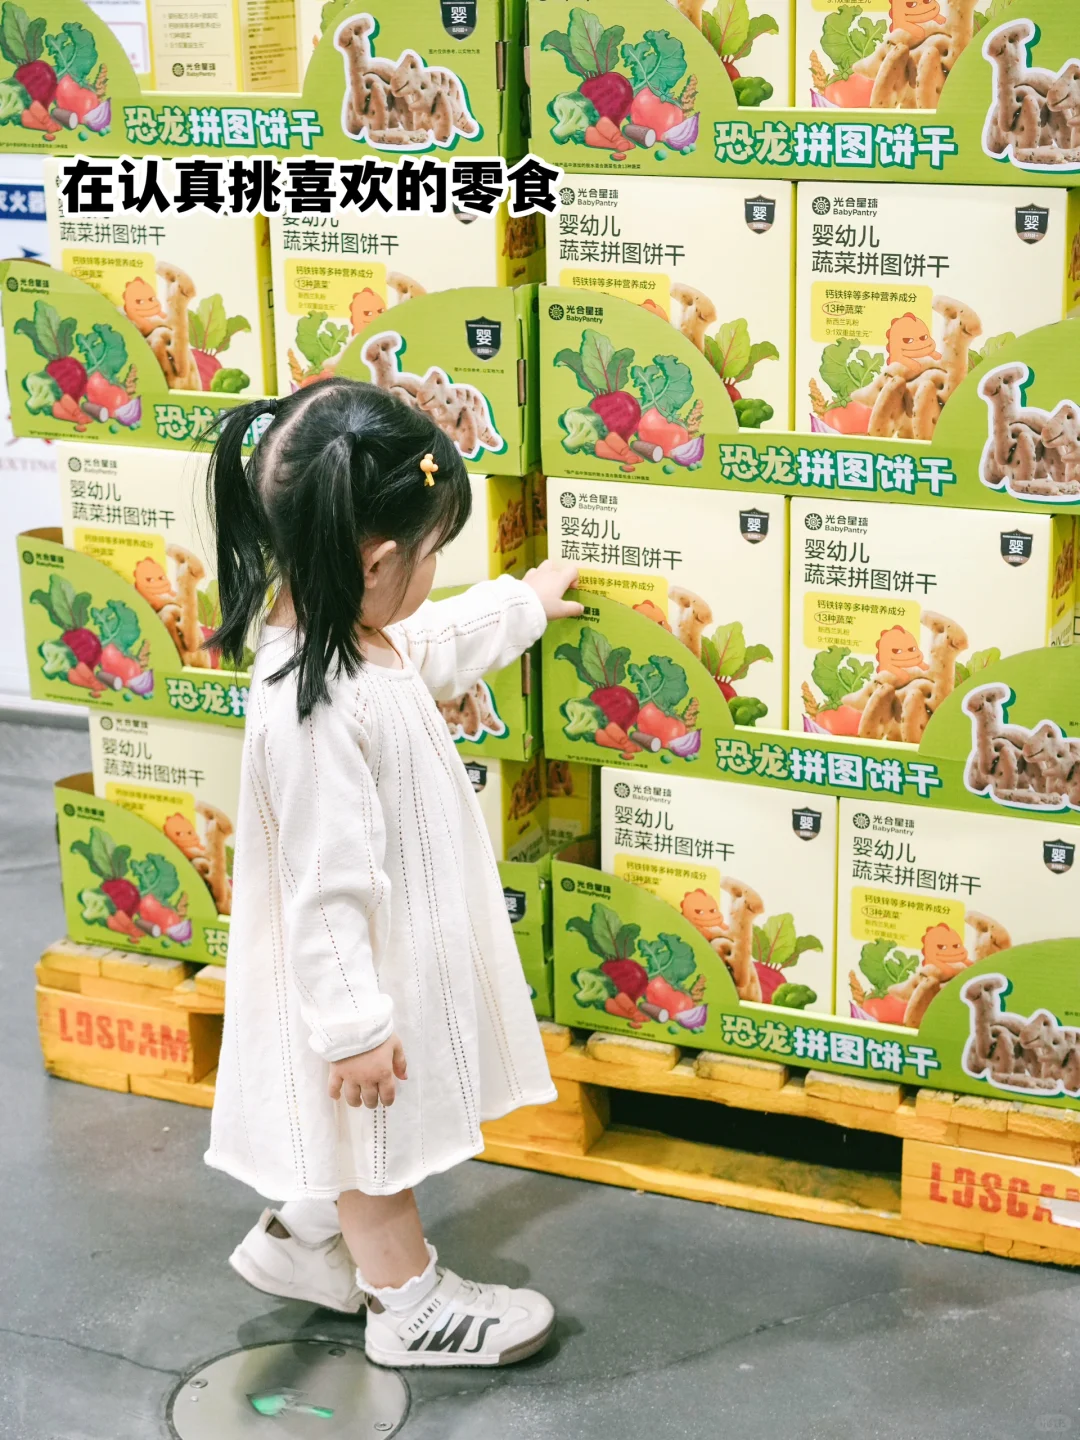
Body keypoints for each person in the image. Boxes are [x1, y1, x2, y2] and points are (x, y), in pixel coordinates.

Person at [203, 378, 582, 1367]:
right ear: (376, 562)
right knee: (379, 1151)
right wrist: (356, 1030)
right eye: (432, 554)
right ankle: (408, 1305)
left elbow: (425, 645)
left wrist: (520, 605)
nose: (434, 571)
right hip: (355, 984)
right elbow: (324, 886)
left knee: (351, 1138)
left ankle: (301, 1240)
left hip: (374, 964)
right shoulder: (314, 701)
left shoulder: (351, 634)